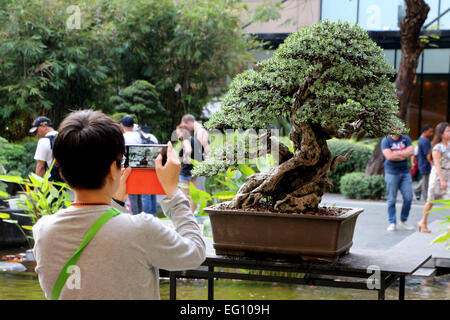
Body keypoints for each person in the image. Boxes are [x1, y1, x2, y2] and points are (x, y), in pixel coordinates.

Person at [32, 110, 205, 299]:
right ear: (113, 169)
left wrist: (116, 203)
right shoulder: (142, 229)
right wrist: (173, 192)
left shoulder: (43, 230)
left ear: (62, 172)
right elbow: (195, 252)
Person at [417, 122, 450, 233]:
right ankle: (423, 222)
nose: (449, 133)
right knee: (431, 201)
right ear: (441, 133)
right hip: (438, 176)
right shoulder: (437, 147)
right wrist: (442, 180)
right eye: (447, 131)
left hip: (448, 174)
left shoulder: (449, 145)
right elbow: (436, 164)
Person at [381, 129, 415, 232]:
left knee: (409, 197)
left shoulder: (405, 139)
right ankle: (392, 222)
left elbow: (411, 152)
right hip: (391, 173)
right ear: (392, 129)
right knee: (391, 199)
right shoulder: (386, 140)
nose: (399, 129)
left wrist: (396, 154)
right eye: (396, 127)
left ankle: (403, 220)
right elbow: (389, 156)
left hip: (405, 172)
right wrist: (403, 154)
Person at [119, 115, 143, 214]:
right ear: (133, 125)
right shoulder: (138, 136)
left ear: (121, 125)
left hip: (129, 168)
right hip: (140, 167)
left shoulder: (123, 137)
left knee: (132, 195)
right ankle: (141, 216)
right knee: (138, 195)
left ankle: (136, 218)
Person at [181, 114, 210, 194]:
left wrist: (211, 162)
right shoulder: (198, 131)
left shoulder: (200, 131)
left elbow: (206, 147)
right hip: (199, 165)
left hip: (201, 165)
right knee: (195, 192)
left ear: (189, 122)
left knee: (199, 192)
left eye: (185, 125)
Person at [177, 125, 201, 213]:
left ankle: (184, 216)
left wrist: (185, 157)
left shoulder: (186, 140)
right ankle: (191, 214)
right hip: (193, 171)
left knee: (184, 195)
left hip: (185, 171)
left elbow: (188, 150)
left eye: (178, 133)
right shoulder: (193, 140)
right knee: (192, 194)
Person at [414, 124, 434, 201]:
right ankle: (426, 198)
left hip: (422, 163)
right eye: (430, 132)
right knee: (426, 182)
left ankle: (416, 190)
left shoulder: (420, 139)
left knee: (424, 179)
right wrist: (431, 162)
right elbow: (428, 154)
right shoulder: (425, 141)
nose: (431, 133)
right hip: (426, 164)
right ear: (425, 131)